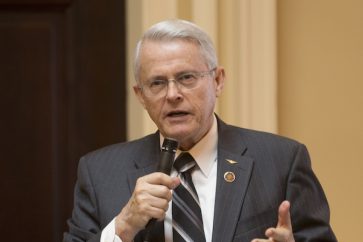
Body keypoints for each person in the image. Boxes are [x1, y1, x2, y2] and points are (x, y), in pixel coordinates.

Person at [63, 19, 337, 242]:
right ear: (140, 95)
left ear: (217, 81)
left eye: (186, 78)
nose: (173, 94)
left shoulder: (281, 161)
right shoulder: (99, 173)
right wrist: (123, 227)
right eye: (157, 83)